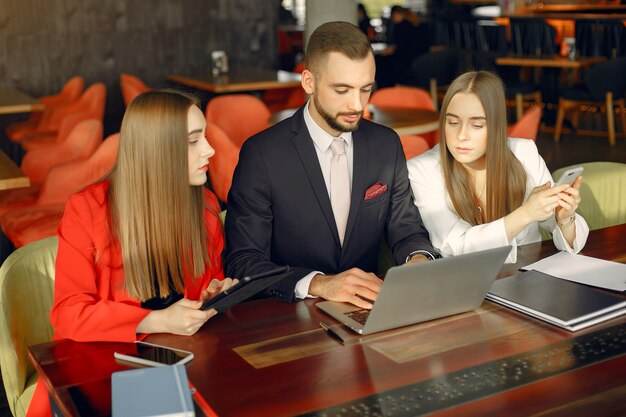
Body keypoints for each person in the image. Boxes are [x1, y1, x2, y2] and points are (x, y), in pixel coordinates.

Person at [26, 90, 236, 417]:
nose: (209, 150)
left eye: (204, 137)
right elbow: (69, 312)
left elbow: (208, 282)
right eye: (194, 141)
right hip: (99, 369)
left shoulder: (205, 206)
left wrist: (216, 291)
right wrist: (155, 319)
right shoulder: (88, 211)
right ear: (157, 151)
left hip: (183, 360)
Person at [225, 21, 438, 310]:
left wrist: (419, 260)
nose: (357, 105)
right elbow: (243, 261)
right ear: (309, 82)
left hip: (369, 313)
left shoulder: (386, 145)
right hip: (289, 319)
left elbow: (406, 229)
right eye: (342, 90)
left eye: (366, 89)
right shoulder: (261, 154)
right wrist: (319, 283)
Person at [407, 71, 589, 263]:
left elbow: (567, 238)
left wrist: (564, 219)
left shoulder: (524, 153)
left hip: (525, 279)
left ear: (496, 125)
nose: (461, 135)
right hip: (463, 283)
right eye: (452, 123)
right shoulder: (423, 169)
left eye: (477, 125)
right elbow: (455, 245)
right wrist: (525, 214)